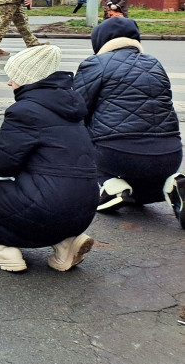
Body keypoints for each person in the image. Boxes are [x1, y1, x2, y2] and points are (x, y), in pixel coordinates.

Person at [0, 45, 99, 272]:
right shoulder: (72, 106)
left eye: (14, 76)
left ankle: (3, 248)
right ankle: (65, 243)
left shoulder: (25, 110)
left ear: (28, 79)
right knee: (47, 186)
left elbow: (0, 165)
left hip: (47, 209)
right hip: (85, 210)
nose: (10, 82)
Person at [72, 17, 184, 225]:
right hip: (170, 155)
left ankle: (110, 187)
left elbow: (76, 109)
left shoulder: (95, 63)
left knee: (74, 136)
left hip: (117, 154)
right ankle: (171, 183)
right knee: (141, 192)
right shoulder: (153, 63)